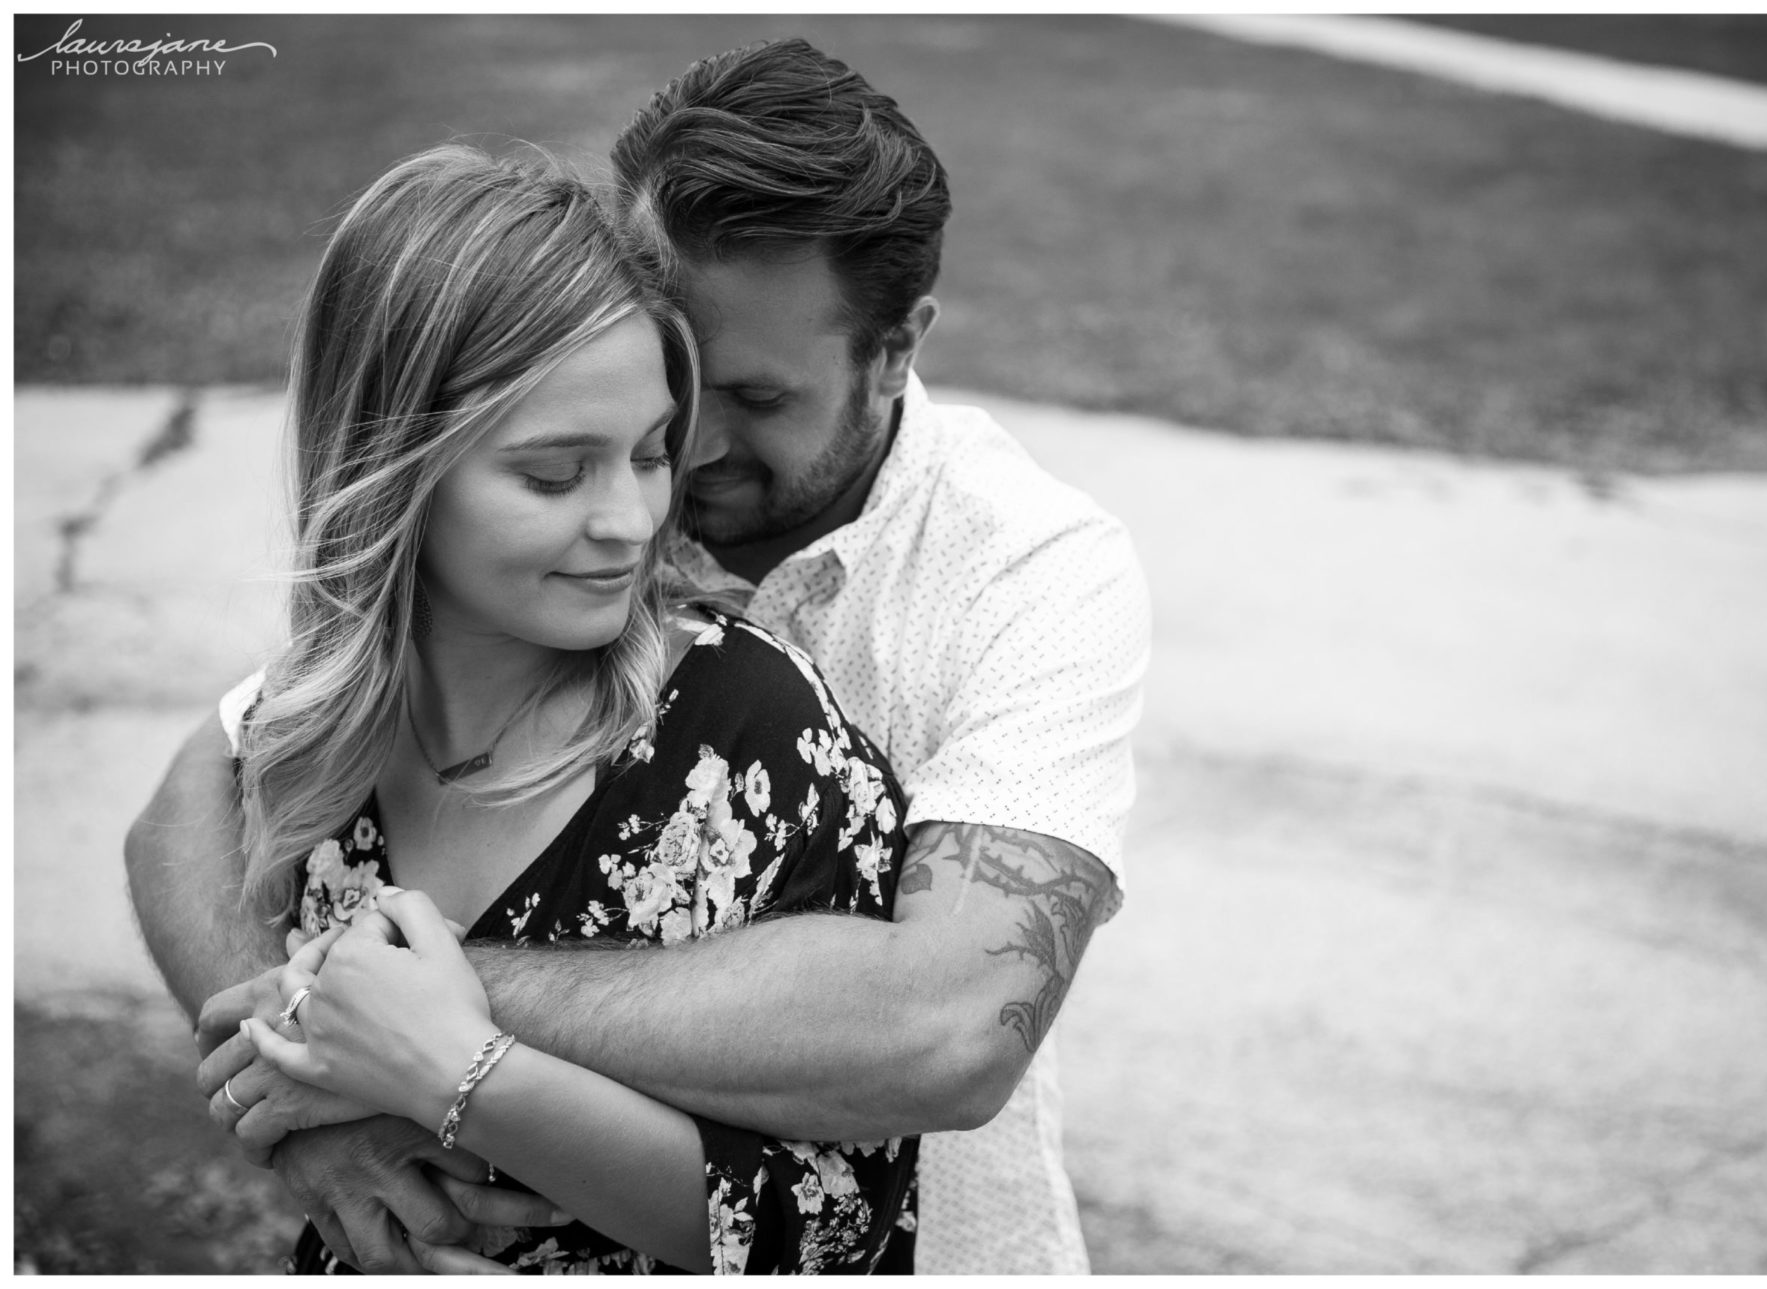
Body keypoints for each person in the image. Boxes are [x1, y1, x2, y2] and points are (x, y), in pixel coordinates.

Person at [129, 37, 1150, 1275]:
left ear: (897, 347)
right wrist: (301, 1106)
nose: (690, 447)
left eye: (755, 398)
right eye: (673, 371)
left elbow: (950, 1025)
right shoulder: (589, 495)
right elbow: (202, 796)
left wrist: (387, 1012)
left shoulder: (1030, 570)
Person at [188, 142, 917, 1274]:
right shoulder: (307, 727)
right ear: (393, 465)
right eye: (553, 473)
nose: (630, 520)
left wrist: (453, 1073)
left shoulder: (756, 740)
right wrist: (293, 1107)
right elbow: (251, 1008)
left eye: (649, 453)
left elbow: (829, 1229)